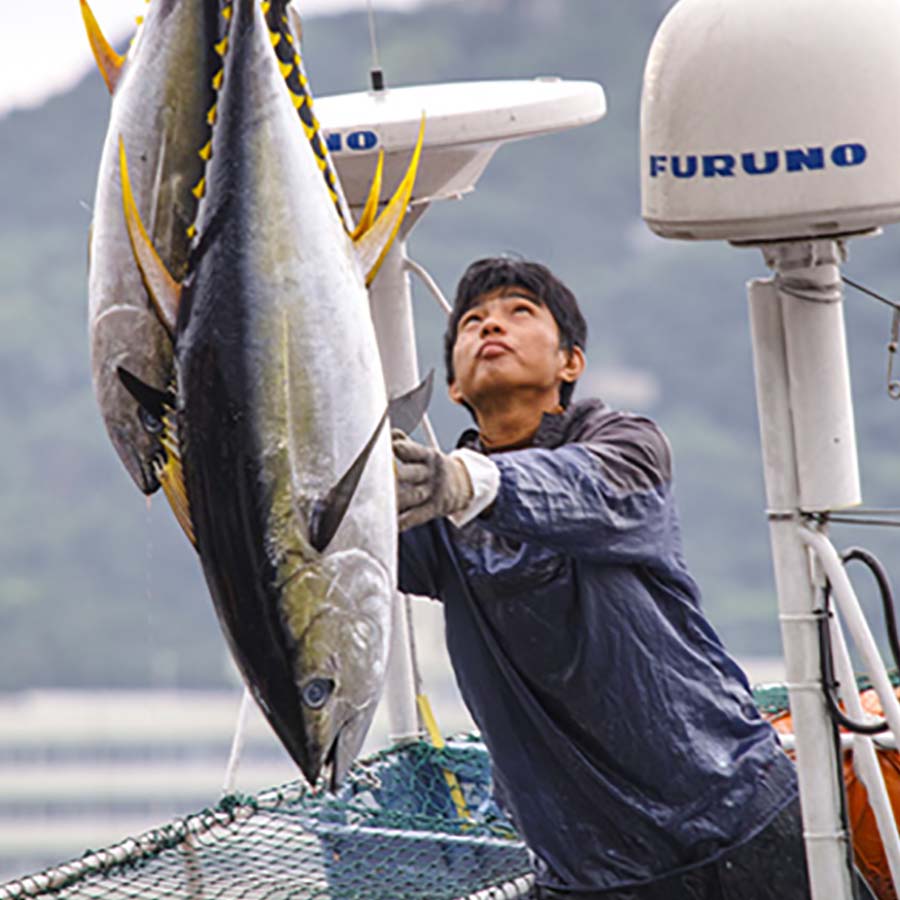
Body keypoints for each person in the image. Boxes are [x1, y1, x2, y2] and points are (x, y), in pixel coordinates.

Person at [392, 257, 875, 900]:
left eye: (519, 311)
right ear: (453, 385)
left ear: (571, 363)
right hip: (587, 875)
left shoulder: (624, 445)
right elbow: (323, 546)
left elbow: (588, 491)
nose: (491, 327)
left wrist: (466, 482)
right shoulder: (431, 512)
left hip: (740, 827)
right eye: (472, 321)